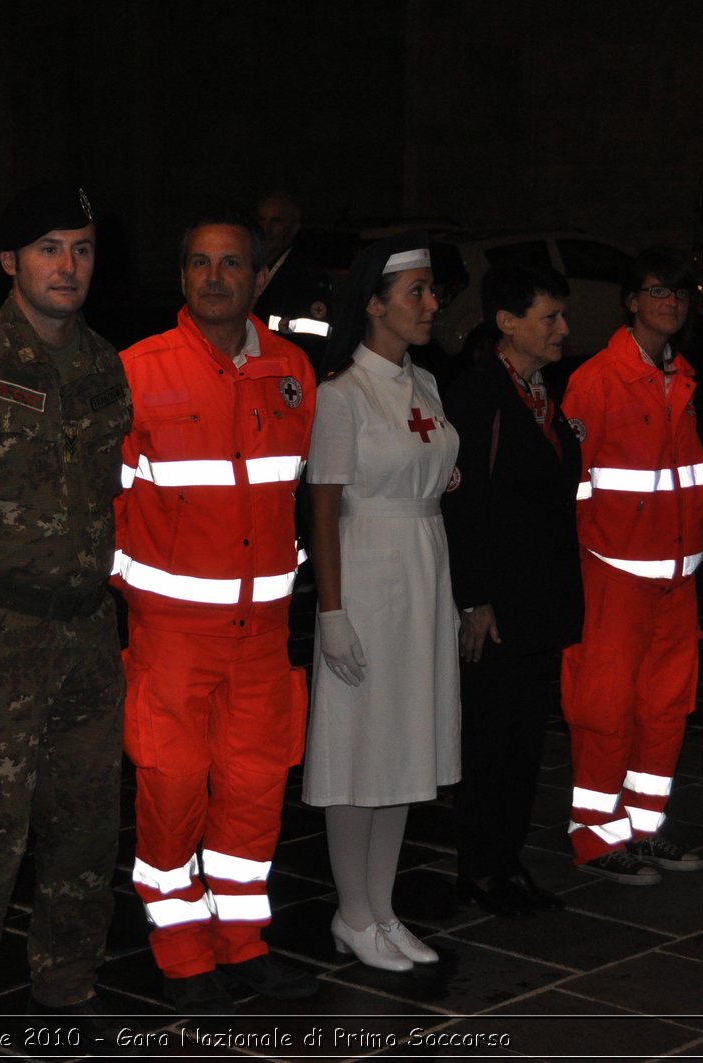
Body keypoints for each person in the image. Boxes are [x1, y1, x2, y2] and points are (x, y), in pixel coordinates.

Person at [0, 186, 130, 1032]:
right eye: (48, 248)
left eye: (80, 248)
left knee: (85, 821)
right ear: (11, 262)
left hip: (86, 628)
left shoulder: (104, 363)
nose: (67, 266)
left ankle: (65, 979)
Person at [114, 211, 318, 1016]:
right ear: (182, 275)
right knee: (171, 791)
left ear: (260, 278)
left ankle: (243, 941)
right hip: (171, 638)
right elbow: (103, 500)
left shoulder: (292, 370)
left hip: (263, 638)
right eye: (198, 262)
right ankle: (181, 949)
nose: (213, 277)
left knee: (254, 789)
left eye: (231, 263)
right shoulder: (138, 370)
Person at [302, 233, 458, 971]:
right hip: (367, 577)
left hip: (423, 572)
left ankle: (383, 907)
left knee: (402, 745)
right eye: (416, 292)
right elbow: (324, 506)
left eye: (430, 291)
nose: (431, 304)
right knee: (358, 745)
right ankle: (351, 911)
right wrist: (332, 610)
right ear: (373, 304)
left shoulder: (424, 383)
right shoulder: (341, 393)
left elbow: (425, 459)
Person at [561, 248, 703, 886]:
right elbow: (571, 481)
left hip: (676, 580)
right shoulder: (597, 379)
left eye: (677, 293)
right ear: (630, 302)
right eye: (655, 291)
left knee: (666, 707)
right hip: (615, 575)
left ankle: (644, 829)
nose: (669, 303)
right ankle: (595, 837)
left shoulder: (682, 376)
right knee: (606, 707)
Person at [443, 263, 584, 917]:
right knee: (491, 738)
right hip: (498, 606)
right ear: (507, 323)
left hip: (539, 599)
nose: (562, 328)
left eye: (561, 316)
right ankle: (480, 865)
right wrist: (474, 596)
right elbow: (464, 505)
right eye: (549, 317)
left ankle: (507, 858)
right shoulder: (479, 397)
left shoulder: (541, 393)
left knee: (526, 737)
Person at [253, 190, 332, 362]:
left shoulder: (307, 278)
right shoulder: (245, 266)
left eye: (276, 221)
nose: (267, 229)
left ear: (294, 227)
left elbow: (312, 342)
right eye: (261, 220)